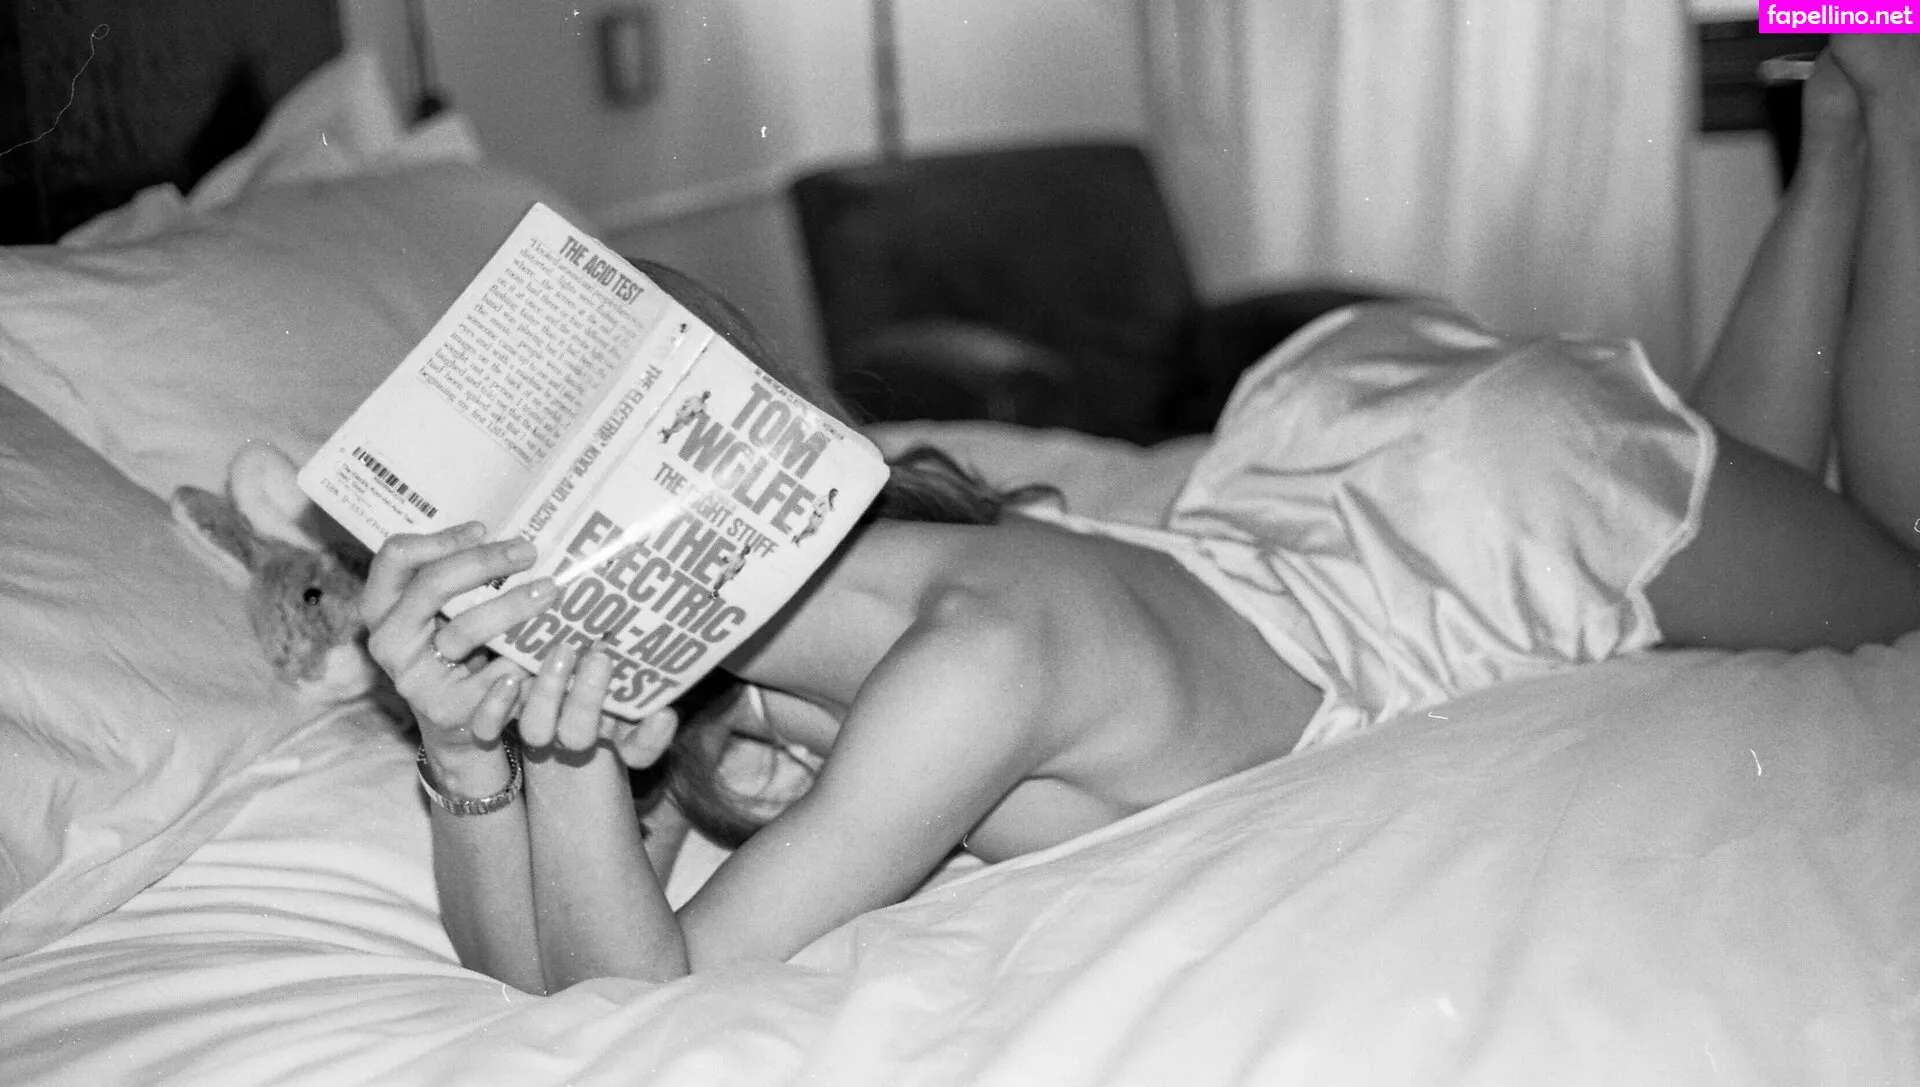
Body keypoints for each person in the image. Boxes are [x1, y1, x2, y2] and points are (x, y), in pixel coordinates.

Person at [361, 39, 1920, 993]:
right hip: (1325, 479)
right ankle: (1842, 125)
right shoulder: (760, 678)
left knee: (1902, 581)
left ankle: (1895, 101)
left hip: (1486, 508)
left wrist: (560, 744)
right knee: (1729, 474)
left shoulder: (975, 662)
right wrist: (464, 755)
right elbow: (541, 976)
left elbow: (638, 998)